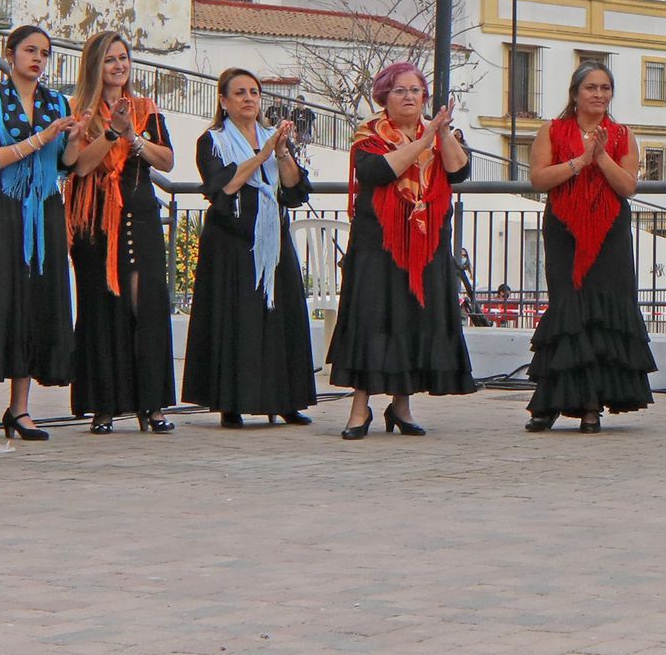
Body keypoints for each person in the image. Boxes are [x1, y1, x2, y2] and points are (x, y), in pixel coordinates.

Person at [0, 25, 88, 444]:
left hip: (45, 205)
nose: (38, 59)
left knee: (35, 298)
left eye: (45, 53)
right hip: (3, 206)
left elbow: (64, 164)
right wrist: (41, 138)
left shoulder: (56, 101)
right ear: (10, 54)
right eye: (30, 51)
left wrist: (75, 143)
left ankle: (21, 407)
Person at [325, 63, 475, 439]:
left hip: (426, 242)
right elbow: (377, 173)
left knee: (412, 319)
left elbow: (458, 172)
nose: (410, 97)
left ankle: (401, 405)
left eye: (416, 90)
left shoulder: (439, 132)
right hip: (379, 243)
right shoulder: (369, 135)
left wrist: (441, 133)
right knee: (371, 320)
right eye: (400, 91)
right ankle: (360, 409)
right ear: (383, 97)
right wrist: (424, 143)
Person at [522, 61, 655, 433]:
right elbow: (538, 178)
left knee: (604, 308)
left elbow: (628, 186)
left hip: (609, 229)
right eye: (591, 88)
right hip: (565, 227)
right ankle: (553, 400)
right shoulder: (552, 130)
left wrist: (601, 157)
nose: (599, 94)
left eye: (605, 88)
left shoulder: (622, 134)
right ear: (575, 93)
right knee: (568, 307)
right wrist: (579, 162)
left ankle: (593, 403)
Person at [181, 69, 318, 428]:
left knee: (280, 316)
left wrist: (283, 154)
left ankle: (285, 400)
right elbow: (223, 186)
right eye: (239, 92)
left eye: (254, 92)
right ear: (224, 101)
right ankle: (232, 402)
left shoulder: (273, 138)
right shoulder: (213, 140)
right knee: (236, 318)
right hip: (232, 241)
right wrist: (261, 156)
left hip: (272, 237)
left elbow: (292, 187)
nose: (248, 98)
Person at [64, 31, 177, 434]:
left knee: (143, 304)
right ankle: (104, 405)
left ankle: (152, 404)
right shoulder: (78, 110)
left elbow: (166, 160)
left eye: (124, 58)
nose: (119, 65)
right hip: (95, 217)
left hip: (139, 213)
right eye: (110, 59)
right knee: (101, 307)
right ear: (95, 65)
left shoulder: (145, 108)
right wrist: (111, 131)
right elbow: (79, 166)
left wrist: (133, 137)